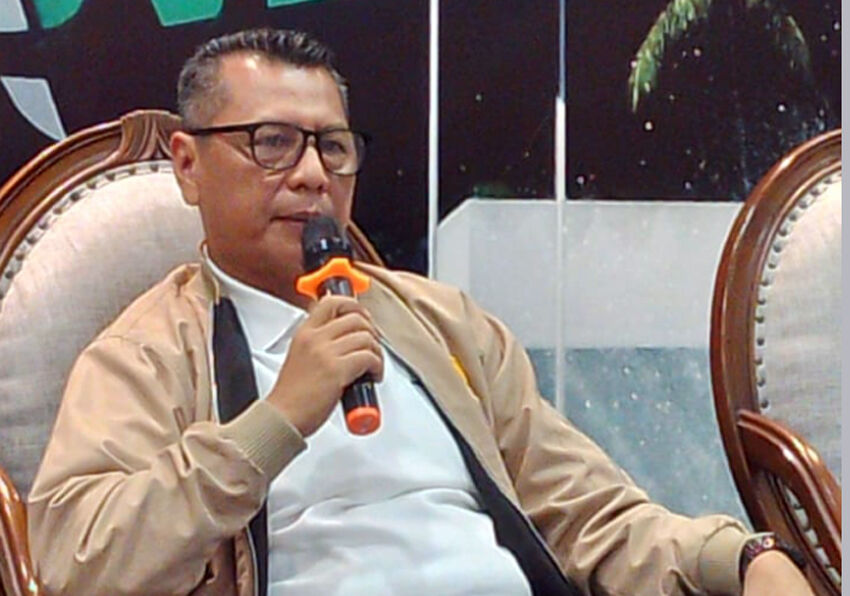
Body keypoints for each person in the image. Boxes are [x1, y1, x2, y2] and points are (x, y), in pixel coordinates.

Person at [27, 28, 814, 596]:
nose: (312, 175)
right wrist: (277, 421)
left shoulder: (441, 323)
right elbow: (76, 562)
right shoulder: (143, 355)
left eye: (332, 147)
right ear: (189, 165)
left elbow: (588, 515)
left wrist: (742, 559)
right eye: (272, 143)